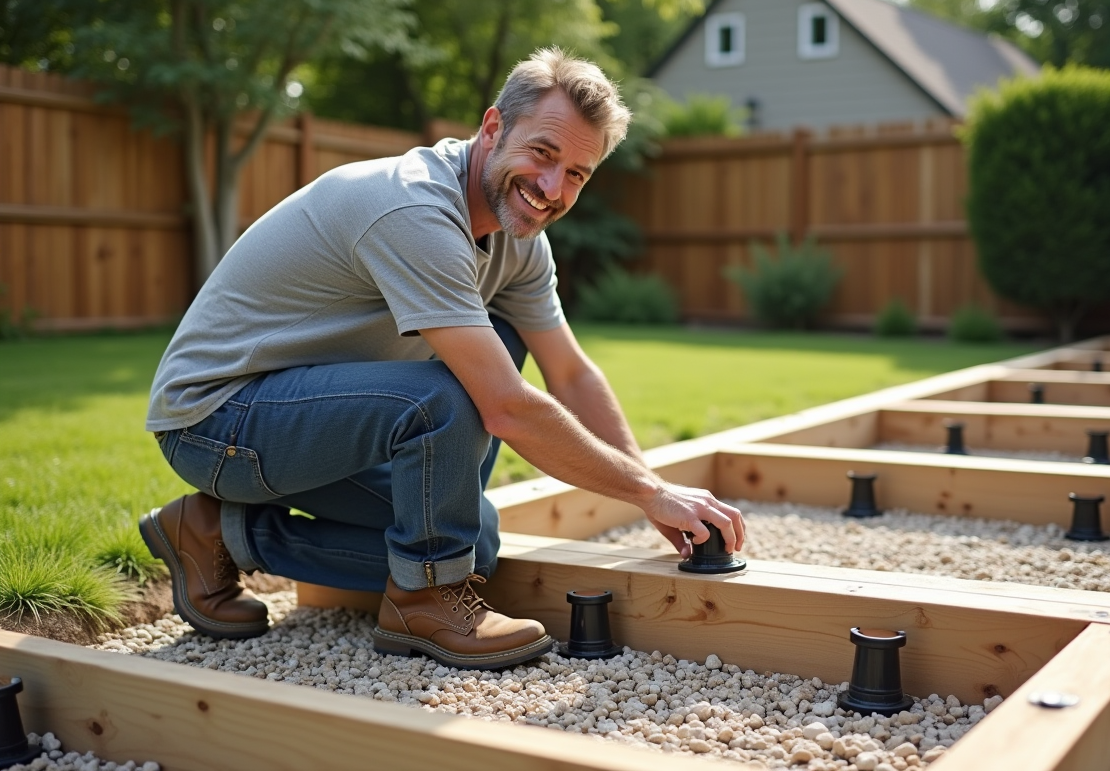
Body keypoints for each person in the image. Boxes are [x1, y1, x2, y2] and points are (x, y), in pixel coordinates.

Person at [140, 47, 745, 671]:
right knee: (452, 398)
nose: (551, 189)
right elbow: (506, 408)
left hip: (312, 421)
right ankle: (424, 601)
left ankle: (218, 534)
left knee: (469, 544)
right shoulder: (413, 209)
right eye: (543, 153)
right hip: (217, 422)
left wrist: (654, 491)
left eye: (576, 174)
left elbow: (570, 373)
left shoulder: (518, 245)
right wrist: (647, 492)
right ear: (492, 128)